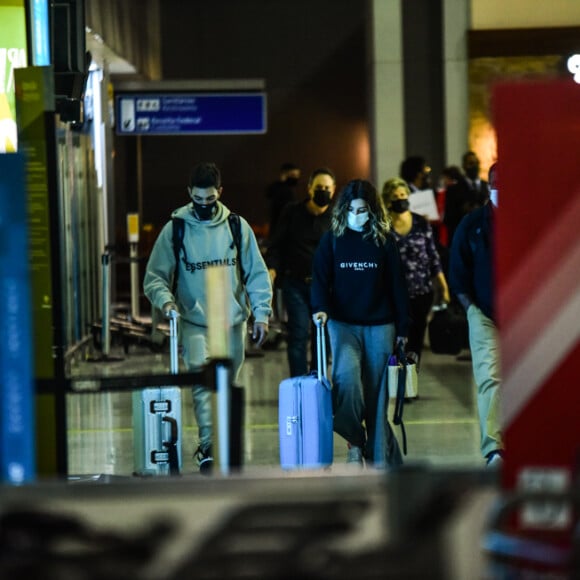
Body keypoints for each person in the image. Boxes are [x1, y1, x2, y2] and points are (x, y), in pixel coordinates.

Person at [144, 161, 273, 473]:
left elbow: (256, 274)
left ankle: (221, 440)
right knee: (203, 385)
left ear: (220, 193)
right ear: (189, 193)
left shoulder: (237, 227)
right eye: (198, 200)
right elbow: (154, 278)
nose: (204, 205)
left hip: (230, 322)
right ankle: (209, 446)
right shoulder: (175, 229)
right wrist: (167, 304)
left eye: (210, 200)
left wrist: (262, 314)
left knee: (226, 386)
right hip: (195, 322)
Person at [311, 179, 409, 468]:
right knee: (347, 381)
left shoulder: (383, 240)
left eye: (363, 209)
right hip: (342, 324)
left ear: (372, 210)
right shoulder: (332, 239)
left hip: (381, 323)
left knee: (378, 394)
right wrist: (320, 309)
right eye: (352, 209)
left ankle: (378, 456)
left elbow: (397, 286)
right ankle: (355, 439)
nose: (357, 214)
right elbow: (319, 279)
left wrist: (404, 328)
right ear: (343, 210)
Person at [448, 162, 503, 468]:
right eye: (496, 184)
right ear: (488, 186)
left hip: (522, 314)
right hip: (483, 313)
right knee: (490, 379)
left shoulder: (525, 219)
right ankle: (495, 448)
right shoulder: (472, 225)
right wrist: (471, 309)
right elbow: (458, 273)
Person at [265, 167, 336, 377]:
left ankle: (318, 378)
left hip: (324, 287)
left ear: (333, 190)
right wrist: (272, 268)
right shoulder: (292, 212)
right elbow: (277, 244)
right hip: (295, 283)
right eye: (318, 187)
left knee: (321, 335)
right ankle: (299, 382)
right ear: (309, 189)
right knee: (298, 332)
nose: (322, 191)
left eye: (326, 188)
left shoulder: (336, 218)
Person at [382, 178, 450, 366]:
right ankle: (396, 382)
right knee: (395, 339)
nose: (400, 199)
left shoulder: (421, 222)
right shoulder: (383, 225)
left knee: (416, 339)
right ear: (388, 199)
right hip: (392, 293)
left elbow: (432, 256)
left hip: (421, 290)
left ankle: (410, 384)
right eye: (395, 196)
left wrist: (443, 286)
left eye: (403, 195)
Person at [443, 151, 490, 245]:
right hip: (464, 238)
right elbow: (448, 218)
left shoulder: (487, 186)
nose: (474, 166)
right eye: (471, 163)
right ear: (464, 166)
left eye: (476, 163)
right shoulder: (454, 189)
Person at [265, 162, 301, 238]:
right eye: (293, 175)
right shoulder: (282, 190)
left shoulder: (276, 188)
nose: (296, 178)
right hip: (280, 230)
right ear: (284, 174)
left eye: (297, 175)